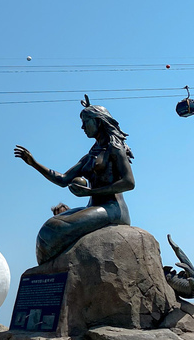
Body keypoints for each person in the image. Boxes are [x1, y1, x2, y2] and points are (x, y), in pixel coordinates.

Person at [14, 96, 135, 264]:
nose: (82, 127)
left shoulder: (115, 149)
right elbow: (63, 179)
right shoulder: (90, 155)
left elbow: (129, 182)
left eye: (86, 122)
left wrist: (92, 192)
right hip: (94, 207)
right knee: (49, 226)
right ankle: (51, 271)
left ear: (98, 122)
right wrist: (34, 163)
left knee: (53, 230)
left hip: (112, 209)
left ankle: (55, 268)